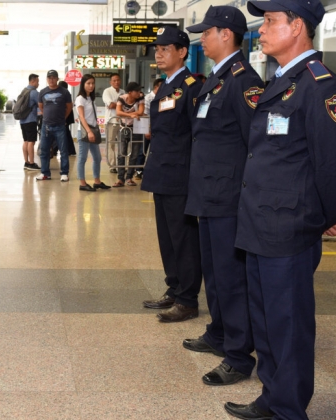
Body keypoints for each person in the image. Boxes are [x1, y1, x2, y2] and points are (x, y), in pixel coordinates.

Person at [227, 1, 336, 419]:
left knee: (289, 325)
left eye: (269, 22)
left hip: (289, 226)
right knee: (265, 321)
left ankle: (289, 409)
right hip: (260, 221)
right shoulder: (282, 81)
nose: (260, 31)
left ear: (297, 26)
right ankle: (273, 396)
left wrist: (328, 217)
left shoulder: (322, 86)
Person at [183, 5, 264, 388]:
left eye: (207, 31)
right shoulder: (216, 79)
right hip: (208, 193)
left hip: (228, 196)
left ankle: (238, 355)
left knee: (231, 278)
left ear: (227, 35)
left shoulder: (244, 81)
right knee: (214, 274)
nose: (202, 37)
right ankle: (218, 332)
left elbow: (256, 144)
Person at [140, 26, 203, 323]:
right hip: (162, 173)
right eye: (158, 49)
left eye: (166, 48)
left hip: (180, 175)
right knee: (167, 238)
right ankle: (175, 289)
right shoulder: (166, 85)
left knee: (184, 239)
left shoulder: (191, 86)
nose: (160, 53)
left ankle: (188, 299)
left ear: (182, 52)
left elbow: (197, 135)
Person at [35, 69, 73, 181]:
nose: (51, 80)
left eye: (53, 77)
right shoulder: (42, 92)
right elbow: (41, 106)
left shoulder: (64, 92)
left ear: (57, 79)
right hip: (46, 126)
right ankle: (45, 173)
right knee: (44, 150)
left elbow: (69, 107)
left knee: (63, 150)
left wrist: (63, 118)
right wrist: (47, 116)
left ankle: (64, 173)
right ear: (47, 79)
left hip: (60, 126)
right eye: (49, 78)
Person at [75, 74, 109, 192]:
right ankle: (82, 183)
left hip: (93, 130)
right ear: (83, 84)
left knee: (97, 157)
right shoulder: (80, 98)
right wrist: (89, 131)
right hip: (85, 132)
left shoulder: (90, 98)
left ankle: (97, 181)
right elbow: (82, 117)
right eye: (88, 83)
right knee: (82, 158)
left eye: (93, 83)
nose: (91, 86)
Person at [113, 82, 145, 187]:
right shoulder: (121, 98)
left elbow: (141, 111)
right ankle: (120, 178)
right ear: (130, 92)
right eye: (137, 91)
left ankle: (129, 178)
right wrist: (131, 115)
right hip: (124, 128)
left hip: (136, 128)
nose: (139, 93)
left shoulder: (140, 97)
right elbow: (118, 112)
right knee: (121, 153)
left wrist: (127, 114)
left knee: (134, 154)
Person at [103, 74, 125, 170]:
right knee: (110, 144)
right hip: (111, 122)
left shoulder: (123, 92)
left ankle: (121, 164)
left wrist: (116, 104)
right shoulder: (107, 91)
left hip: (122, 122)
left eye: (118, 80)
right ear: (110, 82)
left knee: (123, 143)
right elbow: (110, 105)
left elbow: (127, 105)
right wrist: (121, 104)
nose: (116, 82)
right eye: (114, 80)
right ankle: (113, 166)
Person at [20, 73, 41, 170]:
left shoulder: (24, 90)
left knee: (26, 141)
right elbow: (41, 104)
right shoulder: (34, 92)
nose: (38, 83)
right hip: (31, 120)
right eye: (37, 81)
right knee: (31, 142)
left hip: (22, 120)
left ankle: (26, 162)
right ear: (33, 81)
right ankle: (32, 163)